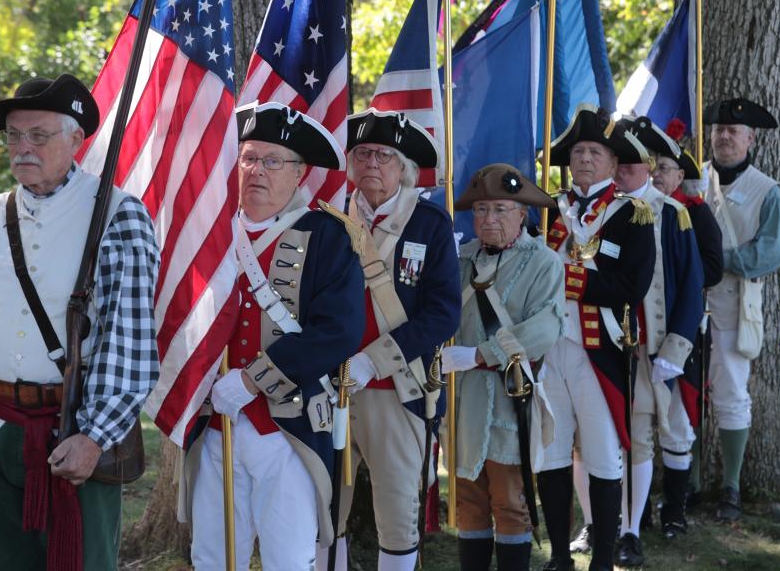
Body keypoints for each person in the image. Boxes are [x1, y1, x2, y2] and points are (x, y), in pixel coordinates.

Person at [0, 74, 160, 570]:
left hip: (72, 434)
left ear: (76, 140)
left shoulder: (118, 216)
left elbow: (131, 344)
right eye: (13, 135)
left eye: (39, 134)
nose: (22, 147)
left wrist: (95, 436)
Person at [184, 102, 365, 570]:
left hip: (289, 426)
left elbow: (339, 332)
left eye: (272, 161)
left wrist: (250, 381)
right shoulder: (208, 233)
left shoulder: (327, 235)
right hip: (214, 424)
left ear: (299, 172)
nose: (257, 171)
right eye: (248, 158)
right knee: (214, 557)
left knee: (289, 558)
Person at [322, 108, 461, 571]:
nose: (371, 165)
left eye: (383, 155)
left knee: (398, 518)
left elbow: (443, 314)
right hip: (328, 387)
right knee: (323, 512)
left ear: (403, 168)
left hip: (395, 390)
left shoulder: (429, 224)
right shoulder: (328, 221)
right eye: (362, 154)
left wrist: (374, 360)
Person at [536, 104, 656, 571]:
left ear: (612, 162)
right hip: (549, 349)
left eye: (595, 151)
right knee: (551, 452)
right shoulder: (550, 210)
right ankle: (560, 556)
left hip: (599, 351)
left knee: (604, 454)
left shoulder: (633, 215)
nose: (585, 158)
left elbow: (632, 286)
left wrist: (573, 282)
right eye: (578, 151)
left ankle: (604, 559)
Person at [441, 163, 564, 571]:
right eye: (479, 210)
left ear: (521, 214)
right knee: (469, 500)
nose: (487, 219)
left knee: (511, 501)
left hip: (511, 396)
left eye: (498, 210)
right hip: (463, 400)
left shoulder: (543, 262)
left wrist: (480, 354)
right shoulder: (459, 259)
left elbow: (545, 327)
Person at [606, 116, 704, 566]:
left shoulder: (674, 214)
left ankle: (630, 530)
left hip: (651, 347)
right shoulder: (597, 210)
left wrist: (676, 351)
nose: (624, 169)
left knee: (643, 436)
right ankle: (600, 523)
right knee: (600, 440)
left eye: (635, 162)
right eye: (619, 161)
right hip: (601, 346)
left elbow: (692, 285)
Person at [703, 98, 780, 522]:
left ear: (751, 138)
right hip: (685, 304)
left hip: (734, 305)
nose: (724, 136)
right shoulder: (691, 179)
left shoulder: (766, 190)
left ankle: (730, 487)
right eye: (719, 129)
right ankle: (687, 483)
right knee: (673, 392)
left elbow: (768, 253)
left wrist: (712, 261)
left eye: (734, 130)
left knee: (732, 394)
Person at [651, 119, 724, 519]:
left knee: (677, 419)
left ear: (681, 175)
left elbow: (712, 268)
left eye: (665, 168)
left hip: (684, 325)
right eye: (654, 166)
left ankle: (676, 510)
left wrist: (681, 269)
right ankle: (635, 510)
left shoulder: (694, 214)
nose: (658, 174)